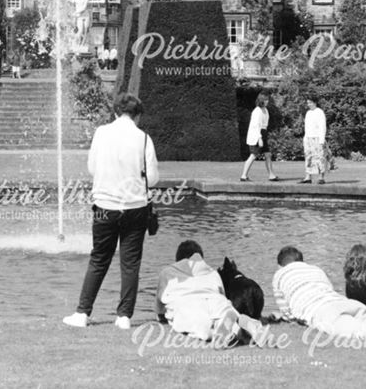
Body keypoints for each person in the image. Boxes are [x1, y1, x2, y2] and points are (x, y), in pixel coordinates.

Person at [64, 92, 158, 331]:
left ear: (116, 112)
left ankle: (82, 313)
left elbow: (92, 168)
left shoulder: (101, 133)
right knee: (130, 263)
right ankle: (124, 316)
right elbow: (154, 179)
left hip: (105, 206)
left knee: (99, 259)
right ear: (137, 116)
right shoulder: (143, 138)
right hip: (135, 207)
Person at [154, 240, 260, 345]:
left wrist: (162, 315)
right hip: (216, 301)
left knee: (201, 327)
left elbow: (160, 311)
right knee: (225, 312)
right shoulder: (212, 272)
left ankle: (218, 334)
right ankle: (244, 327)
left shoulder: (167, 272)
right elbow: (221, 295)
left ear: (178, 259)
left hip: (188, 304)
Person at [240, 93, 278, 182]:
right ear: (261, 100)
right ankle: (243, 176)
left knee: (268, 154)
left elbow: (265, 125)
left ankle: (271, 175)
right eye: (265, 100)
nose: (267, 101)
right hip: (257, 134)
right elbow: (256, 126)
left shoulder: (265, 110)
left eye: (267, 99)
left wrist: (263, 135)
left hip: (263, 132)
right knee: (253, 155)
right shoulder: (257, 111)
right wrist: (259, 138)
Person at [301, 95, 327, 184]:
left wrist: (321, 140)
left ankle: (321, 177)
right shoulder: (308, 113)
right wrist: (305, 138)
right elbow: (306, 127)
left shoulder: (319, 112)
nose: (309, 104)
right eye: (308, 103)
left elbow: (322, 127)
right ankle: (308, 177)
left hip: (317, 138)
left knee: (320, 157)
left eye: (310, 102)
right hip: (308, 138)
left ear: (315, 102)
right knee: (308, 157)